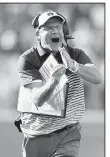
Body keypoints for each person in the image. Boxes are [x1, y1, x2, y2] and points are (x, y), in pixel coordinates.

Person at [16, 10, 102, 157]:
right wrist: (54, 81)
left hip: (68, 133)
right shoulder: (28, 59)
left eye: (58, 27)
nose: (55, 30)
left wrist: (74, 65)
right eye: (49, 27)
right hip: (36, 134)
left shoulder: (75, 54)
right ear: (38, 34)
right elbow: (37, 99)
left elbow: (97, 77)